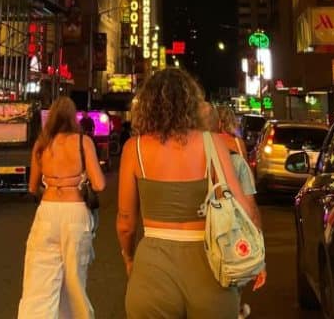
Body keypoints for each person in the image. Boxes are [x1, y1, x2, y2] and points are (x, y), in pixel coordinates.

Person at [119, 68, 265, 319]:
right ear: (192, 104)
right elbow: (245, 208)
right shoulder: (213, 143)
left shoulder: (135, 149)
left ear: (147, 106)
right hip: (211, 269)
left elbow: (125, 223)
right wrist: (257, 256)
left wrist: (129, 257)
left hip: (152, 271)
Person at [18, 96, 106, 318]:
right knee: (74, 283)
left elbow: (32, 187)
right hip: (75, 211)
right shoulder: (83, 142)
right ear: (72, 117)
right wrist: (79, 179)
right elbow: (99, 184)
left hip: (47, 211)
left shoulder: (41, 145)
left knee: (39, 283)